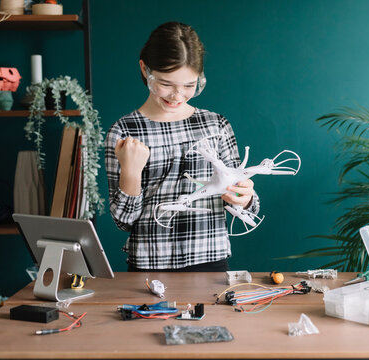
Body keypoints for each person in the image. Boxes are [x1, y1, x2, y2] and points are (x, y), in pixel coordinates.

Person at [105, 22, 260, 272]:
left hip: (210, 261)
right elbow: (124, 221)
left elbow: (246, 205)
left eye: (189, 86)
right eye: (165, 84)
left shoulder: (216, 126)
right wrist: (131, 172)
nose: (177, 95)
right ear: (145, 69)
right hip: (149, 265)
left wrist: (246, 197)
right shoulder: (124, 132)